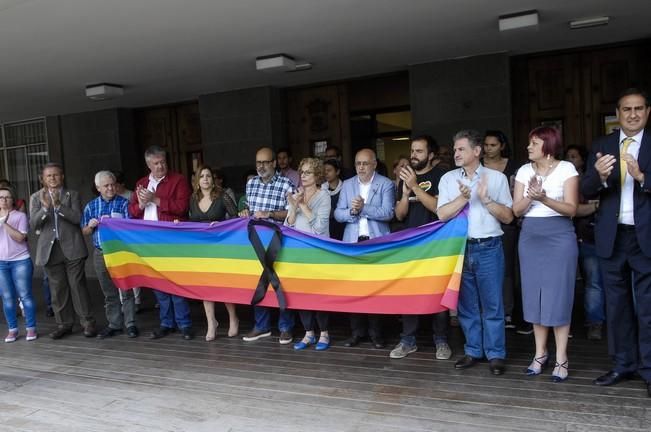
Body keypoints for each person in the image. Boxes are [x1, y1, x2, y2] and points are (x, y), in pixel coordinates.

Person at [582, 88, 651, 398]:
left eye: (638, 109)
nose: (633, 114)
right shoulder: (602, 145)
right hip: (612, 236)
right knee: (617, 305)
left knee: (648, 308)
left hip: (645, 237)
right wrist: (597, 176)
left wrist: (642, 177)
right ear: (618, 114)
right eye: (627, 109)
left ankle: (648, 369)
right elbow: (585, 189)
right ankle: (623, 364)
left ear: (647, 112)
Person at [437, 130, 513, 375]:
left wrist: (486, 199)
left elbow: (509, 217)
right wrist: (463, 198)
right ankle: (473, 351)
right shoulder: (448, 179)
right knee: (466, 306)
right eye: (455, 149)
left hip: (489, 246)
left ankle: (496, 354)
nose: (455, 153)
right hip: (459, 249)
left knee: (492, 304)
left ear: (477, 151)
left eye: (461, 149)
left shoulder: (497, 178)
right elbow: (442, 214)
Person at [513, 126, 578, 382]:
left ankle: (562, 357)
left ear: (548, 145)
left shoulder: (566, 169)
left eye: (534, 143)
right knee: (535, 295)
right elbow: (516, 210)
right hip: (530, 236)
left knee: (558, 295)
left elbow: (572, 209)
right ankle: (540, 353)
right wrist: (531, 197)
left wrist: (545, 198)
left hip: (560, 235)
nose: (528, 147)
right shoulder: (523, 171)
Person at [389, 135, 451, 360]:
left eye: (419, 151)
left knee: (438, 292)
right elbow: (399, 214)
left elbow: (438, 208)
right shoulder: (404, 178)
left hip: (436, 245)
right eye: (412, 151)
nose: (413, 155)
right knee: (409, 293)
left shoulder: (441, 176)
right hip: (410, 245)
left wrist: (415, 186)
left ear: (431, 155)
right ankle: (408, 340)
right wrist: (405, 194)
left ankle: (441, 340)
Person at [129, 145, 194, 340]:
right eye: (156, 163)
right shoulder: (141, 183)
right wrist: (140, 204)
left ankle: (184, 324)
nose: (160, 166)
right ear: (148, 164)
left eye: (163, 162)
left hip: (171, 241)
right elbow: (132, 212)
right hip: (148, 241)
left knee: (175, 282)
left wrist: (155, 199)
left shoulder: (178, 180)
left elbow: (182, 208)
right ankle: (166, 323)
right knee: (158, 284)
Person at [334, 148, 395, 348]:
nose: (361, 167)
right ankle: (357, 333)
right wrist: (352, 211)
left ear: (374, 164)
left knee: (375, 289)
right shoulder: (348, 185)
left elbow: (388, 213)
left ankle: (376, 334)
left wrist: (364, 208)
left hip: (376, 243)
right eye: (358, 163)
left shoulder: (386, 184)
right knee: (354, 289)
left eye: (365, 163)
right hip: (353, 243)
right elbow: (337, 214)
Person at [30, 162, 97, 339]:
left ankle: (88, 322)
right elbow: (34, 224)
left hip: (73, 247)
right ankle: (64, 324)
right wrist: (45, 208)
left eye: (56, 175)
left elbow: (78, 218)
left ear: (62, 176)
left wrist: (59, 206)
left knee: (77, 286)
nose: (52, 178)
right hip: (50, 250)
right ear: (42, 179)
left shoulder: (71, 194)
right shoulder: (36, 197)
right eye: (48, 176)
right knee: (58, 288)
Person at [240, 146, 295, 344]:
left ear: (274, 163)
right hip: (255, 241)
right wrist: (245, 212)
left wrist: (269, 214)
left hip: (277, 241)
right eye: (258, 163)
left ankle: (285, 327)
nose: (261, 166)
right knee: (258, 282)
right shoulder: (251, 183)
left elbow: (291, 213)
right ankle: (261, 326)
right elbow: (249, 207)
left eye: (265, 162)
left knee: (279, 282)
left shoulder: (286, 183)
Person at [82, 171, 139, 339]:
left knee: (126, 289)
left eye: (112, 184)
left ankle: (130, 324)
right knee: (109, 292)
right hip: (101, 253)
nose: (110, 188)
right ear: (98, 187)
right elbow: (84, 230)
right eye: (106, 185)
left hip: (121, 253)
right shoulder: (91, 206)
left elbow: (130, 227)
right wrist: (91, 226)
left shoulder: (124, 203)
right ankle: (114, 324)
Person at [188, 164, 239, 340]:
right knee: (205, 287)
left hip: (220, 248)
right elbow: (191, 221)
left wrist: (221, 225)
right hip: (200, 249)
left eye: (208, 176)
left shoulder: (223, 196)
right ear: (197, 180)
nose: (205, 179)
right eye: (201, 176)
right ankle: (212, 323)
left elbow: (236, 219)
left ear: (213, 179)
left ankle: (233, 319)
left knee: (223, 284)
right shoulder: (193, 198)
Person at [285, 158, 332, 351]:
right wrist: (294, 206)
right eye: (301, 172)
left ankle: (324, 333)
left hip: (319, 252)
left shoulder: (324, 196)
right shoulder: (297, 194)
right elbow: (288, 224)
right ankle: (308, 333)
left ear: (317, 176)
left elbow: (320, 228)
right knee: (301, 293)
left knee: (319, 294)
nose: (302, 176)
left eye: (307, 173)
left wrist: (303, 205)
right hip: (298, 251)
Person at [483, 130, 521, 332]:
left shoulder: (514, 166)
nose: (489, 149)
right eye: (486, 145)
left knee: (506, 269)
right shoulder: (478, 167)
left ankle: (507, 311)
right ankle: (487, 310)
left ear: (502, 146)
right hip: (484, 222)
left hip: (506, 222)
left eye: (493, 145)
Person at [566, 145, 604, 341]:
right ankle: (585, 323)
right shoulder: (570, 181)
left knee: (597, 283)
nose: (570, 160)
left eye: (574, 156)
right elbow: (575, 209)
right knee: (585, 282)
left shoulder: (591, 180)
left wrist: (592, 207)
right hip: (578, 235)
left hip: (597, 236)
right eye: (568, 157)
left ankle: (598, 323)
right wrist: (593, 207)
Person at [0, 186, 37, 342]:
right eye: (1, 197)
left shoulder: (20, 216)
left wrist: (4, 223)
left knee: (25, 295)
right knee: (7, 297)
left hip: (20, 260)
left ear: (13, 199)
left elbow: (20, 238)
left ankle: (31, 328)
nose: (4, 200)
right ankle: (12, 329)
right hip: (1, 263)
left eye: (7, 197)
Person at [113, 170, 143, 311]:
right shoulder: (110, 198)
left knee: (132, 270)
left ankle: (136, 300)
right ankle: (122, 301)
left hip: (129, 239)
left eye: (116, 184)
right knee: (120, 272)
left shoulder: (130, 195)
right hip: (115, 240)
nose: (113, 188)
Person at [321, 159, 345, 241]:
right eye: (324, 170)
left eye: (329, 170)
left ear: (337, 172)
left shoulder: (345, 188)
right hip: (326, 228)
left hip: (342, 228)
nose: (326, 173)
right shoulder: (321, 189)